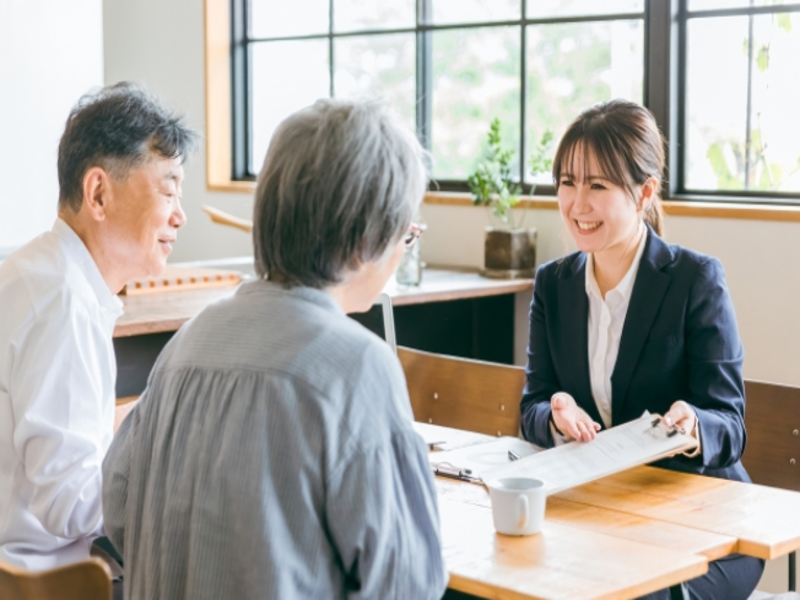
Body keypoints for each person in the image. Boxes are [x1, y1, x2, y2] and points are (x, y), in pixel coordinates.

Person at [102, 99, 448, 600]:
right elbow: (407, 584)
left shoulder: (187, 344)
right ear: (367, 236)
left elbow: (119, 510)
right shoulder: (357, 367)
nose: (401, 249)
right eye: (406, 233)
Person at [519, 99, 763, 599]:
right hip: (604, 516)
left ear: (644, 191)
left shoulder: (695, 280)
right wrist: (553, 413)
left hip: (704, 524)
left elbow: (729, 424)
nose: (577, 204)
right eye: (568, 182)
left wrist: (693, 425)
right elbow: (533, 404)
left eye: (598, 185)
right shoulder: (553, 285)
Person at [0, 82, 196, 574]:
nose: (181, 215)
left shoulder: (35, 272)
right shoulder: (65, 304)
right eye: (168, 189)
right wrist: (181, 481)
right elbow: (70, 503)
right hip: (40, 581)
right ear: (98, 193)